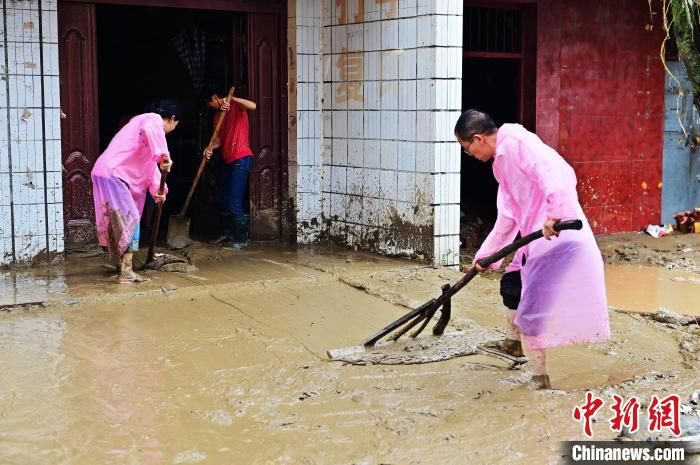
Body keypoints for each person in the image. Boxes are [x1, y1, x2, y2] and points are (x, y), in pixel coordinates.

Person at [454, 109, 610, 389]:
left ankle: (540, 381)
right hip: (534, 243)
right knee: (511, 285)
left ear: (477, 139)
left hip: (556, 242)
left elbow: (558, 173)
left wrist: (556, 215)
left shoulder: (517, 143)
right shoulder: (501, 164)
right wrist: (485, 258)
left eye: (466, 149)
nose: (470, 155)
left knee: (533, 312)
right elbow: (508, 217)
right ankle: (512, 345)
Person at [91, 99, 182, 283]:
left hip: (105, 172)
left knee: (118, 221)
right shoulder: (151, 119)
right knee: (130, 219)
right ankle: (125, 273)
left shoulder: (139, 134)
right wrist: (163, 155)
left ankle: (121, 266)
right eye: (176, 124)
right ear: (172, 119)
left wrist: (160, 191)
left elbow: (151, 172)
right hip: (114, 173)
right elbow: (152, 133)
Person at [203, 90, 257, 250]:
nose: (211, 106)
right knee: (222, 198)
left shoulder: (235, 105)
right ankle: (227, 233)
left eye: (210, 103)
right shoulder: (217, 117)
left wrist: (232, 98)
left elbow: (252, 106)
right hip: (227, 159)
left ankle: (240, 239)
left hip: (241, 157)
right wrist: (209, 147)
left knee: (234, 201)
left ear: (215, 97)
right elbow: (218, 140)